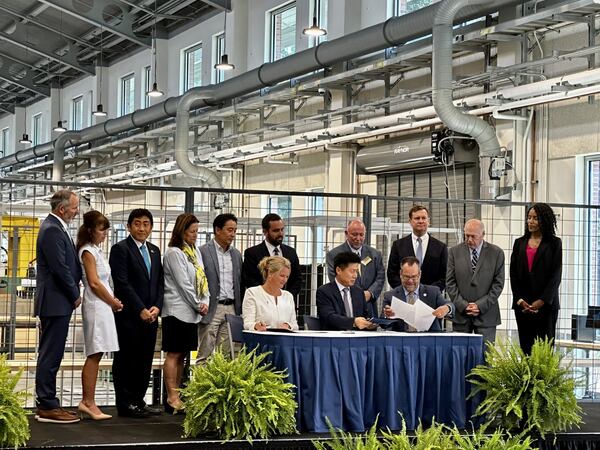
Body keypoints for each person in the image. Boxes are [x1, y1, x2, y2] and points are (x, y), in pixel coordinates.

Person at [109, 209, 164, 418]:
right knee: (126, 360)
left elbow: (160, 283)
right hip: (129, 316)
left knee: (144, 359)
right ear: (129, 226)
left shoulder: (154, 250)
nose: (142, 228)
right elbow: (122, 284)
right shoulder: (120, 249)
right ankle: (125, 403)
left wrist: (157, 306)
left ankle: (139, 401)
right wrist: (140, 308)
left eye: (146, 224)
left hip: (151, 315)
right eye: (138, 224)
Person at [34, 190, 82, 423]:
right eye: (74, 207)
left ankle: (49, 402)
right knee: (50, 354)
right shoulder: (52, 229)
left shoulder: (56, 227)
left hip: (57, 301)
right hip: (56, 301)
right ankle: (47, 405)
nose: (77, 210)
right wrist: (75, 293)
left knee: (53, 353)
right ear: (62, 209)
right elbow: (59, 267)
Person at [76, 211, 123, 421]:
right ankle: (88, 402)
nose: (105, 233)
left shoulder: (97, 250)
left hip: (103, 305)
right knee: (94, 353)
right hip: (96, 305)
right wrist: (112, 301)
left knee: (99, 352)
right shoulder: (87, 251)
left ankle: (89, 401)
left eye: (106, 229)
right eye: (101, 229)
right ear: (90, 230)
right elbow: (94, 283)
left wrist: (112, 301)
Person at [162, 213, 209, 413]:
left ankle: (178, 394)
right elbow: (184, 284)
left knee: (182, 354)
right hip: (176, 310)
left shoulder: (195, 251)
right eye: (192, 231)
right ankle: (171, 397)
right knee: (173, 353)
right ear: (182, 231)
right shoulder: (174, 253)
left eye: (197, 231)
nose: (195, 235)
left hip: (192, 311)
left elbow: (202, 277)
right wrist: (198, 303)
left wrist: (205, 300)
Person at [511, 203, 562, 354]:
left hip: (546, 307)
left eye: (535, 218)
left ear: (544, 220)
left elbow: (556, 275)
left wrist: (541, 301)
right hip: (523, 307)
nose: (530, 221)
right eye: (529, 218)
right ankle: (527, 379)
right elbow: (513, 274)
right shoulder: (519, 243)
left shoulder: (554, 243)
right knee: (526, 350)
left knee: (544, 353)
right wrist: (519, 300)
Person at [446, 219, 505, 343]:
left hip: (486, 315)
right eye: (466, 235)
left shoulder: (496, 253)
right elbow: (450, 283)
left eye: (474, 236)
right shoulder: (454, 252)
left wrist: (480, 305)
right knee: (460, 356)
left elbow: (498, 284)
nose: (469, 240)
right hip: (461, 316)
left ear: (483, 235)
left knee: (485, 357)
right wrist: (463, 305)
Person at [197, 213, 243, 363]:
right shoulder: (203, 251)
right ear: (218, 230)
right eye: (230, 230)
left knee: (226, 356)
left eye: (235, 230)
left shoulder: (236, 254)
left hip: (231, 308)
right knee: (205, 353)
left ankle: (222, 386)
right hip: (212, 307)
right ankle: (200, 386)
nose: (233, 234)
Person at [326, 219, 385, 318]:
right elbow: (335, 278)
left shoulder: (375, 254)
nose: (358, 238)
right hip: (346, 306)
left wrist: (370, 293)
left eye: (361, 235)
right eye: (354, 234)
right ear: (346, 233)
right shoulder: (334, 255)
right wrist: (358, 295)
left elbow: (380, 277)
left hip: (369, 306)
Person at [382, 256, 452, 332]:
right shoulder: (390, 296)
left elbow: (450, 305)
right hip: (402, 341)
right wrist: (387, 316)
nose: (410, 281)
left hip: (428, 340)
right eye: (406, 277)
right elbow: (383, 324)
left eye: (414, 277)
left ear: (420, 274)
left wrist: (447, 308)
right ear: (400, 274)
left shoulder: (433, 292)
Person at [387, 205, 448, 291]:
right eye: (417, 218)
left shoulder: (441, 247)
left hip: (431, 299)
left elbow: (444, 276)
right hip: (404, 298)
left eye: (423, 218)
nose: (421, 221)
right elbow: (392, 274)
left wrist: (429, 292)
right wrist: (406, 291)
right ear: (410, 221)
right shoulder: (398, 245)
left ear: (428, 221)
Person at [242, 213, 302, 299]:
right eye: (276, 230)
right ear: (265, 232)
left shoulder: (291, 252)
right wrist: (269, 297)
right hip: (262, 302)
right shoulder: (252, 253)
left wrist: (285, 297)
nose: (280, 233)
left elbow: (297, 279)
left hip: (285, 302)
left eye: (282, 229)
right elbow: (251, 281)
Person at [316, 252, 376, 331]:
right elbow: (329, 317)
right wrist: (353, 322)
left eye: (357, 271)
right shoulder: (324, 291)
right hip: (334, 338)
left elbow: (364, 316)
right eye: (352, 271)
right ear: (338, 270)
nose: (355, 276)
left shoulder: (359, 292)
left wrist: (369, 324)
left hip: (358, 338)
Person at [242, 256, 299, 331]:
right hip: (261, 339)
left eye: (287, 277)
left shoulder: (288, 296)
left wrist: (288, 325)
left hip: (284, 339)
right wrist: (256, 326)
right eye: (282, 276)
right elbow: (247, 323)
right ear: (270, 273)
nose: (285, 280)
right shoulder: (252, 293)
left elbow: (295, 325)